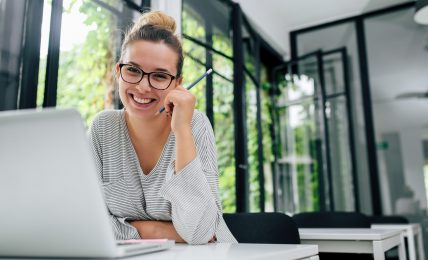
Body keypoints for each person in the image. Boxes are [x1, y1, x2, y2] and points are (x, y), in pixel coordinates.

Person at [88, 10, 237, 245]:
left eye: (159, 76)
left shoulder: (195, 124)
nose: (143, 86)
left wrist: (182, 130)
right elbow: (88, 222)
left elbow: (201, 232)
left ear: (177, 84)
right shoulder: (102, 128)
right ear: (118, 71)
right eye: (133, 70)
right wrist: (162, 233)